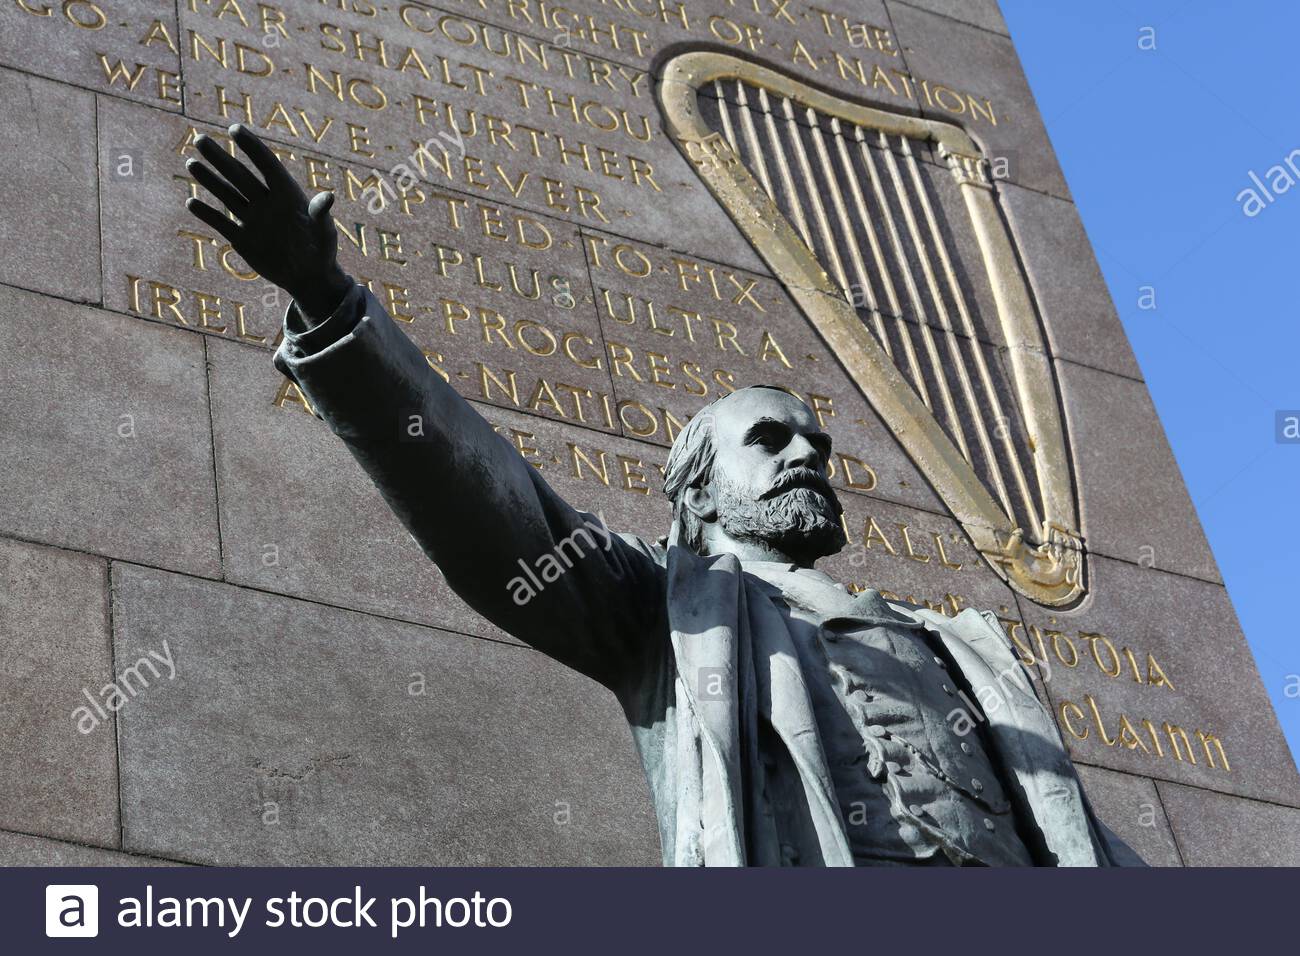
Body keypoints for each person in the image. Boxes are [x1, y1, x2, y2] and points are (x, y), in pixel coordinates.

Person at [182, 124, 1143, 866]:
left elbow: (1086, 846)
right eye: (768, 441)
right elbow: (489, 504)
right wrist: (329, 303)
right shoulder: (669, 611)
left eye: (816, 442)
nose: (804, 455)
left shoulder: (962, 647)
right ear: (698, 490)